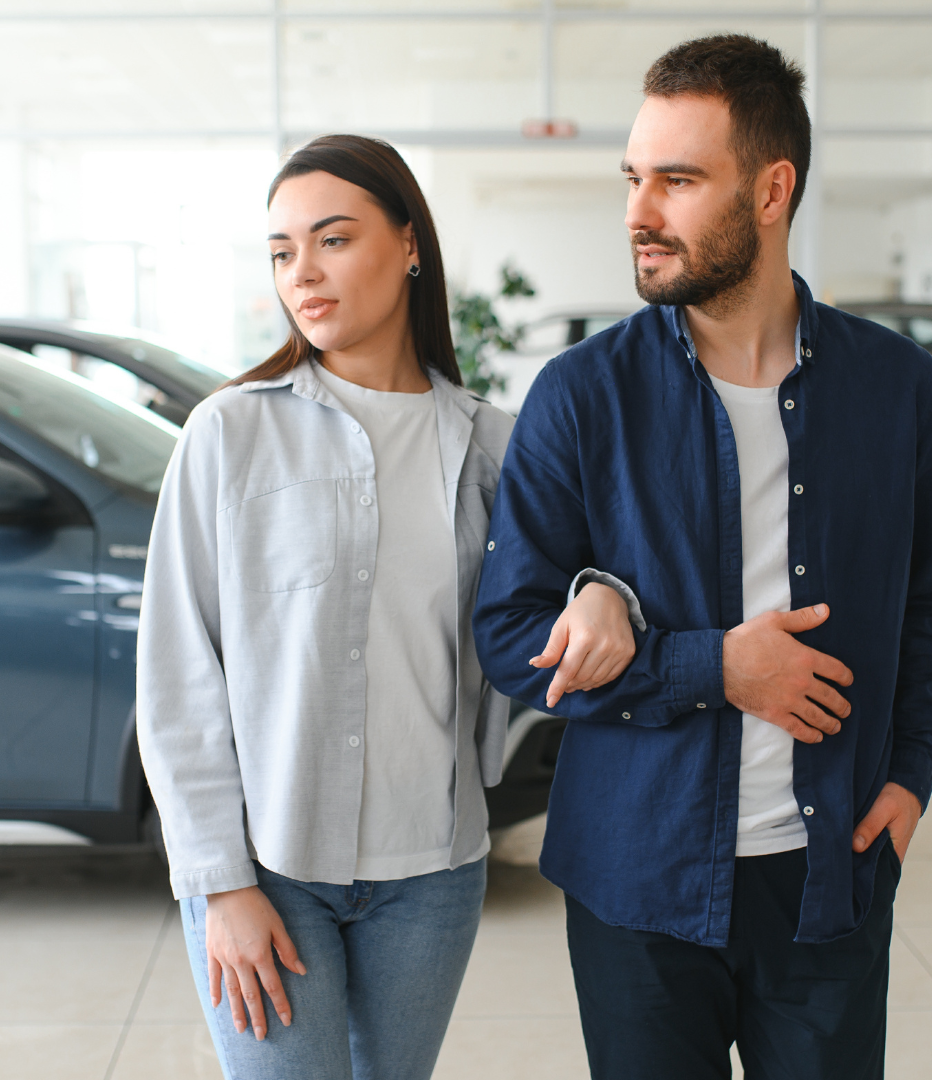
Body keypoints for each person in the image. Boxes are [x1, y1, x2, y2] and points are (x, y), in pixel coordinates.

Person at [471, 36, 932, 1080]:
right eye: (633, 177)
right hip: (637, 885)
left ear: (772, 189)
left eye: (678, 180)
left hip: (830, 873)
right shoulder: (581, 395)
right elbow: (510, 637)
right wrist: (715, 667)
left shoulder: (897, 390)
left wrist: (912, 775)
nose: (638, 211)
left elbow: (931, 601)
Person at [135, 134, 636, 1080]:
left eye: (332, 239)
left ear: (410, 245)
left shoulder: (494, 444)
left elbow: (588, 573)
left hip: (432, 872)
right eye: (283, 251)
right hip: (268, 867)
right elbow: (177, 676)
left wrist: (601, 592)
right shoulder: (230, 434)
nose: (303, 274)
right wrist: (222, 885)